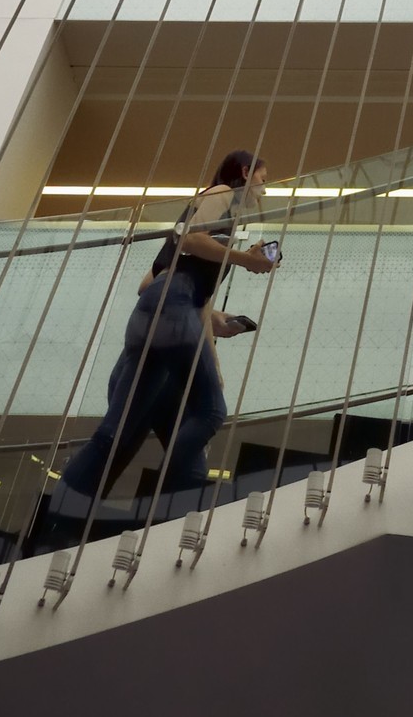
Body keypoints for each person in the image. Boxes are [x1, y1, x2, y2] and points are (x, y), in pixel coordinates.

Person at [58, 151, 276, 503]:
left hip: (155, 311)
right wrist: (244, 259)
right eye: (263, 181)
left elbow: (151, 285)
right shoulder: (220, 193)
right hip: (174, 310)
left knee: (120, 434)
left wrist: (215, 323)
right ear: (246, 173)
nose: (263, 192)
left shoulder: (220, 237)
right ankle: (156, 498)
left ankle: (62, 510)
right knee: (211, 412)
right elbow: (191, 238)